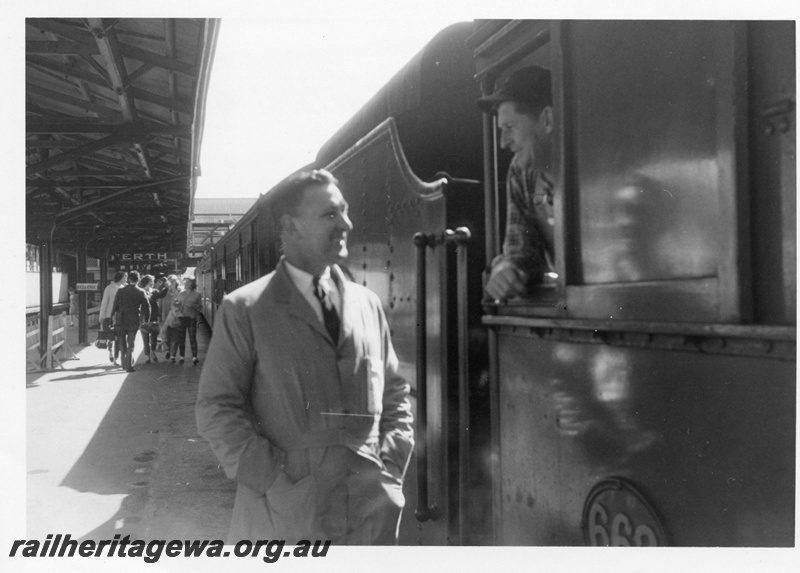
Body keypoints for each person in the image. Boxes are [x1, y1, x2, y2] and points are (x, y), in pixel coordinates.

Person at [196, 169, 414, 545]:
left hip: (369, 508)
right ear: (291, 226)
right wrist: (274, 481)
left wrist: (391, 467)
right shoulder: (245, 308)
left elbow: (395, 393)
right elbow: (216, 407)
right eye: (330, 214)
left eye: (345, 211)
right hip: (283, 513)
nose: (346, 223)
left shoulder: (368, 304)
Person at [477, 65, 556, 301]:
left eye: (510, 128)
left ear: (547, 120)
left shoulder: (591, 167)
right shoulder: (520, 172)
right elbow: (522, 251)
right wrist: (507, 268)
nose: (503, 143)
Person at [111, 270, 150, 373]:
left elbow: (115, 305)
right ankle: (129, 366)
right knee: (131, 343)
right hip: (133, 319)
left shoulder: (121, 290)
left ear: (128, 279)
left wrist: (112, 317)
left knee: (122, 342)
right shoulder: (141, 292)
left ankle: (123, 364)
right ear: (138, 280)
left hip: (121, 319)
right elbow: (147, 307)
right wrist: (146, 320)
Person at [99, 271, 127, 364]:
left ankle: (115, 357)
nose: (126, 279)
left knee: (119, 338)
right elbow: (104, 302)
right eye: (125, 277)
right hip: (109, 316)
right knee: (111, 337)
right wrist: (101, 316)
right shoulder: (109, 288)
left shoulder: (125, 287)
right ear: (121, 278)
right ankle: (110, 352)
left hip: (121, 317)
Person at [174, 276, 202, 365]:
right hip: (182, 317)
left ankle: (194, 357)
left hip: (192, 318)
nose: (186, 284)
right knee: (181, 338)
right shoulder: (180, 294)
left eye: (188, 282)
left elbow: (200, 307)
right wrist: (178, 307)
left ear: (193, 284)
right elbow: (176, 305)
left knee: (192, 338)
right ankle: (182, 357)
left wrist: (193, 306)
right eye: (185, 282)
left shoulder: (197, 294)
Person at [138, 274, 163, 364]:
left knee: (153, 337)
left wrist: (166, 286)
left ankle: (151, 352)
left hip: (152, 318)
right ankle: (148, 356)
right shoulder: (140, 292)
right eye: (151, 281)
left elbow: (162, 295)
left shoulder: (155, 292)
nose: (153, 283)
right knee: (145, 339)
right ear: (148, 282)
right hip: (144, 318)